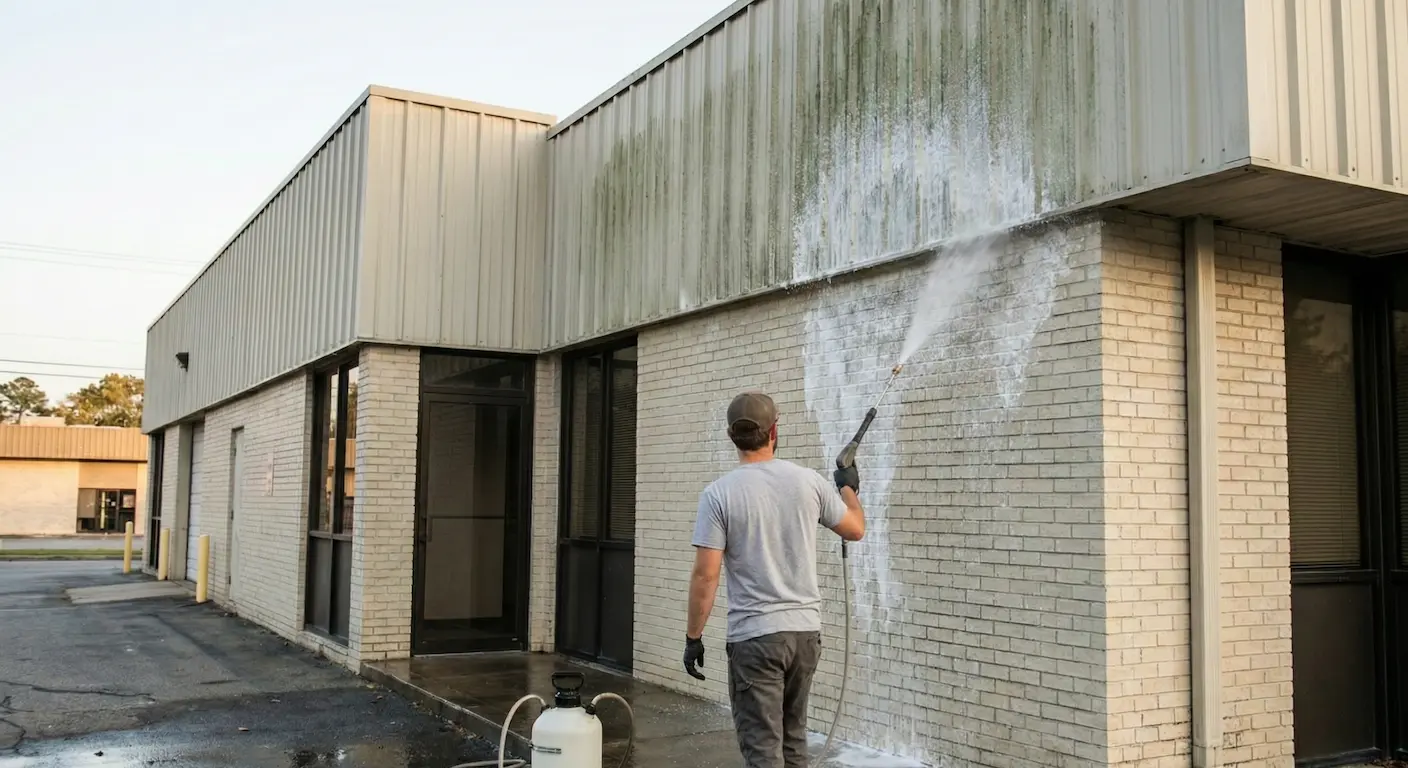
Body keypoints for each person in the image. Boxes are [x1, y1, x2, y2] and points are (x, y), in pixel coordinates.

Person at [683, 391, 866, 768]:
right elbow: (855, 529)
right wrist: (848, 486)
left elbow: (706, 575)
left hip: (755, 639)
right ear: (774, 431)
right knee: (793, 743)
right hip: (804, 636)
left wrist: (693, 637)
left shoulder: (718, 495)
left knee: (763, 750)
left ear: (731, 435)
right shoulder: (809, 482)